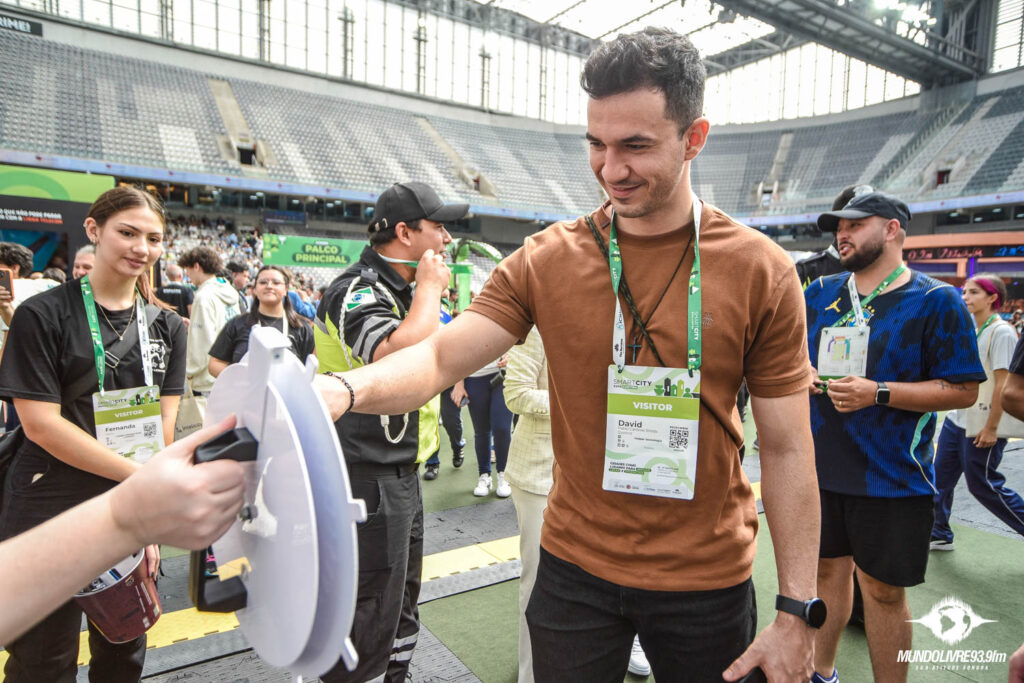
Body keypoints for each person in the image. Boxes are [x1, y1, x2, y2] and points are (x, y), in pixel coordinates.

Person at [316, 28, 822, 682]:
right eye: (596, 144)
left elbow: (787, 446)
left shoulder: (761, 270)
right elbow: (440, 358)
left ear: (694, 138)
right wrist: (344, 390)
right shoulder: (547, 258)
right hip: (574, 568)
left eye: (635, 145)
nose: (610, 170)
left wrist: (797, 609)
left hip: (706, 577)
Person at [0, 186, 187, 682]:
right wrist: (141, 483)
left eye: (153, 238)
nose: (141, 248)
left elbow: (162, 431)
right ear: (94, 230)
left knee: (124, 651)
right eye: (127, 232)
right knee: (43, 661)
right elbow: (41, 425)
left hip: (125, 505)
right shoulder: (42, 315)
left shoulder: (168, 327)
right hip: (48, 505)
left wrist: (147, 522)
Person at [805, 191, 985, 683]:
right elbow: (792, 354)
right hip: (819, 468)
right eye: (838, 226)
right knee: (826, 575)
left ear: (891, 230)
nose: (841, 234)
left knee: (883, 593)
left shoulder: (936, 299)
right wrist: (804, 373)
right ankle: (821, 673)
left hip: (893, 476)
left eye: (854, 224)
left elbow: (963, 389)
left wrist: (878, 393)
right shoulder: (819, 292)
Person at [315, 181, 463, 683]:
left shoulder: (401, 289)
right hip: (363, 474)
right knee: (369, 605)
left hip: (401, 470)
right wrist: (430, 290)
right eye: (439, 227)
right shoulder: (355, 288)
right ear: (404, 232)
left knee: (401, 600)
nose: (447, 238)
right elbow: (394, 354)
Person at [0, 415, 245, 645]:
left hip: (123, 497)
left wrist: (136, 516)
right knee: (46, 652)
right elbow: (40, 423)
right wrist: (141, 496)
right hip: (54, 494)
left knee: (127, 640)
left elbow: (164, 418)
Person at [930, 275, 1024, 548]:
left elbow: (1003, 385)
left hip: (983, 422)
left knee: (983, 484)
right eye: (965, 292)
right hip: (958, 419)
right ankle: (939, 532)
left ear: (993, 298)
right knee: (939, 480)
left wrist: (992, 428)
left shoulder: (1002, 332)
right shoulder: (973, 328)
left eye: (973, 292)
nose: (965, 298)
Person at [208, 265, 315, 376]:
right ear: (255, 289)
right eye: (263, 282)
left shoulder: (301, 328)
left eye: (276, 283)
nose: (269, 286)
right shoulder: (237, 324)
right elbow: (215, 363)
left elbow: (311, 369)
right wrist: (241, 378)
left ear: (286, 289)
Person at [178, 246, 240, 408]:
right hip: (227, 370)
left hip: (206, 378)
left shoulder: (203, 296)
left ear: (196, 266)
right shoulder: (229, 291)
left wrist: (190, 373)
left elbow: (203, 342)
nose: (187, 274)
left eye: (188, 269)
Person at [455, 352, 513, 497]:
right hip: (474, 376)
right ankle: (484, 475)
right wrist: (458, 383)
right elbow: (458, 349)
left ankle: (504, 475)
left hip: (502, 373)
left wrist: (511, 355)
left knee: (502, 428)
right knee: (481, 430)